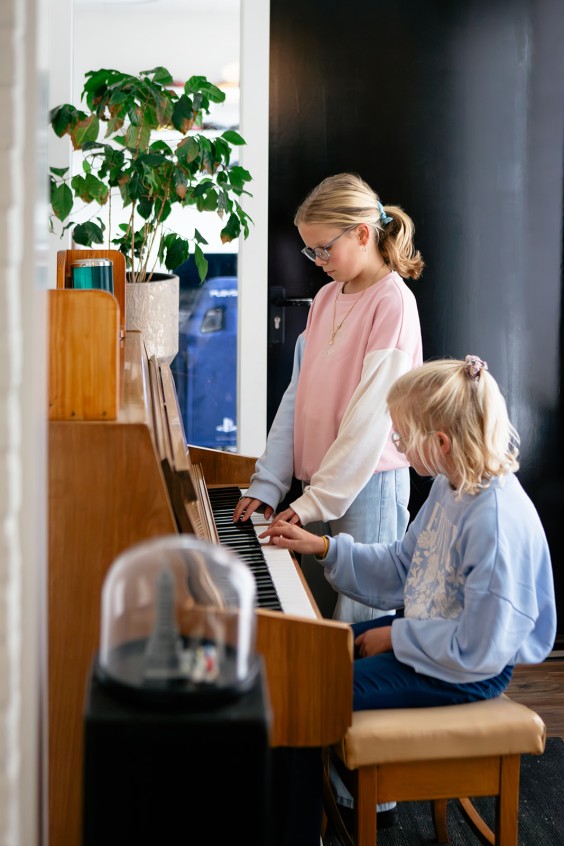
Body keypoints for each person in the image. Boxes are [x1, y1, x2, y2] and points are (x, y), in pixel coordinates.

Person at [262, 354, 557, 842]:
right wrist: (325, 547)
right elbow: (403, 567)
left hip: (466, 671)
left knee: (307, 697)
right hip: (430, 645)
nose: (396, 444)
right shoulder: (450, 486)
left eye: (400, 436)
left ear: (439, 442)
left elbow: (483, 646)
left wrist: (397, 637)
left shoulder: (496, 520)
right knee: (302, 655)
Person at [233, 172, 424, 623]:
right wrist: (268, 484)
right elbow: (295, 399)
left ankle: (356, 698)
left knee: (357, 621)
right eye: (310, 249)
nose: (317, 260)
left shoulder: (392, 303)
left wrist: (310, 504)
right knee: (317, 621)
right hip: (319, 487)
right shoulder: (324, 297)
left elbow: (370, 421)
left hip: (368, 487)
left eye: (324, 248)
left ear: (362, 234)